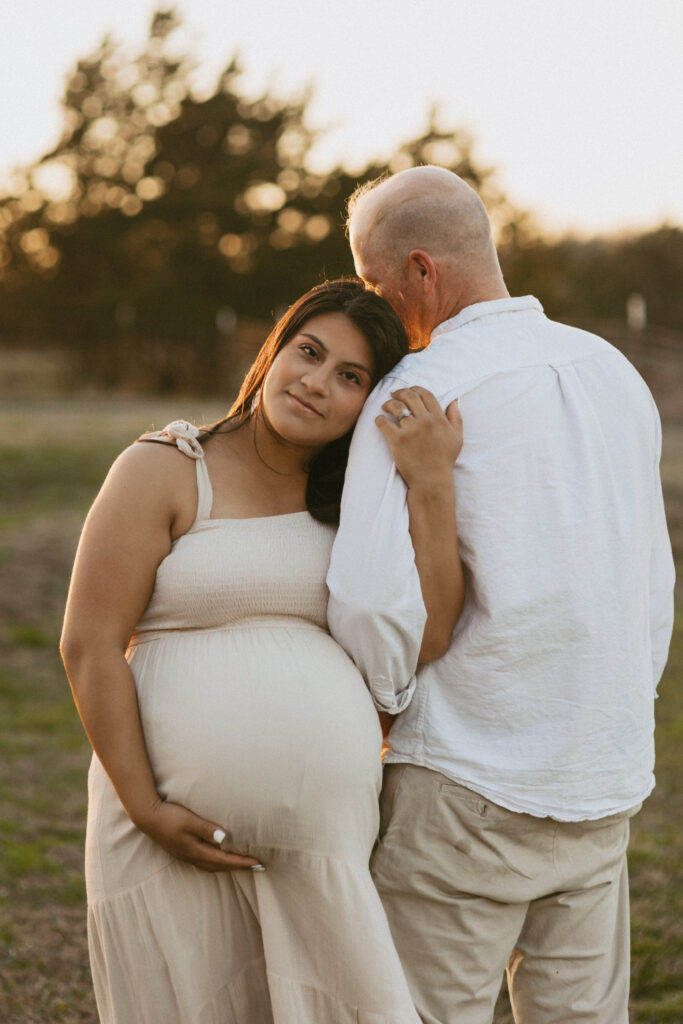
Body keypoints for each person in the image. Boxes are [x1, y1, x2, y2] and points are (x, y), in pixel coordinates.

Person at [60, 278, 464, 1024]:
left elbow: (430, 634)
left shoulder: (357, 506)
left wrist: (430, 483)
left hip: (324, 850)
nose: (315, 383)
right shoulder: (167, 467)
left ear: (370, 404)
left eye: (350, 377)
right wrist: (145, 806)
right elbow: (88, 645)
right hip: (164, 829)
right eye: (307, 352)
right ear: (273, 350)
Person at [327, 167, 676, 1024]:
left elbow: (373, 604)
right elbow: (653, 578)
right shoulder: (613, 372)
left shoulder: (413, 393)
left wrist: (384, 710)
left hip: (462, 771)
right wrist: (625, 706)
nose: (376, 308)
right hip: (602, 766)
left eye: (375, 286)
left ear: (419, 270)